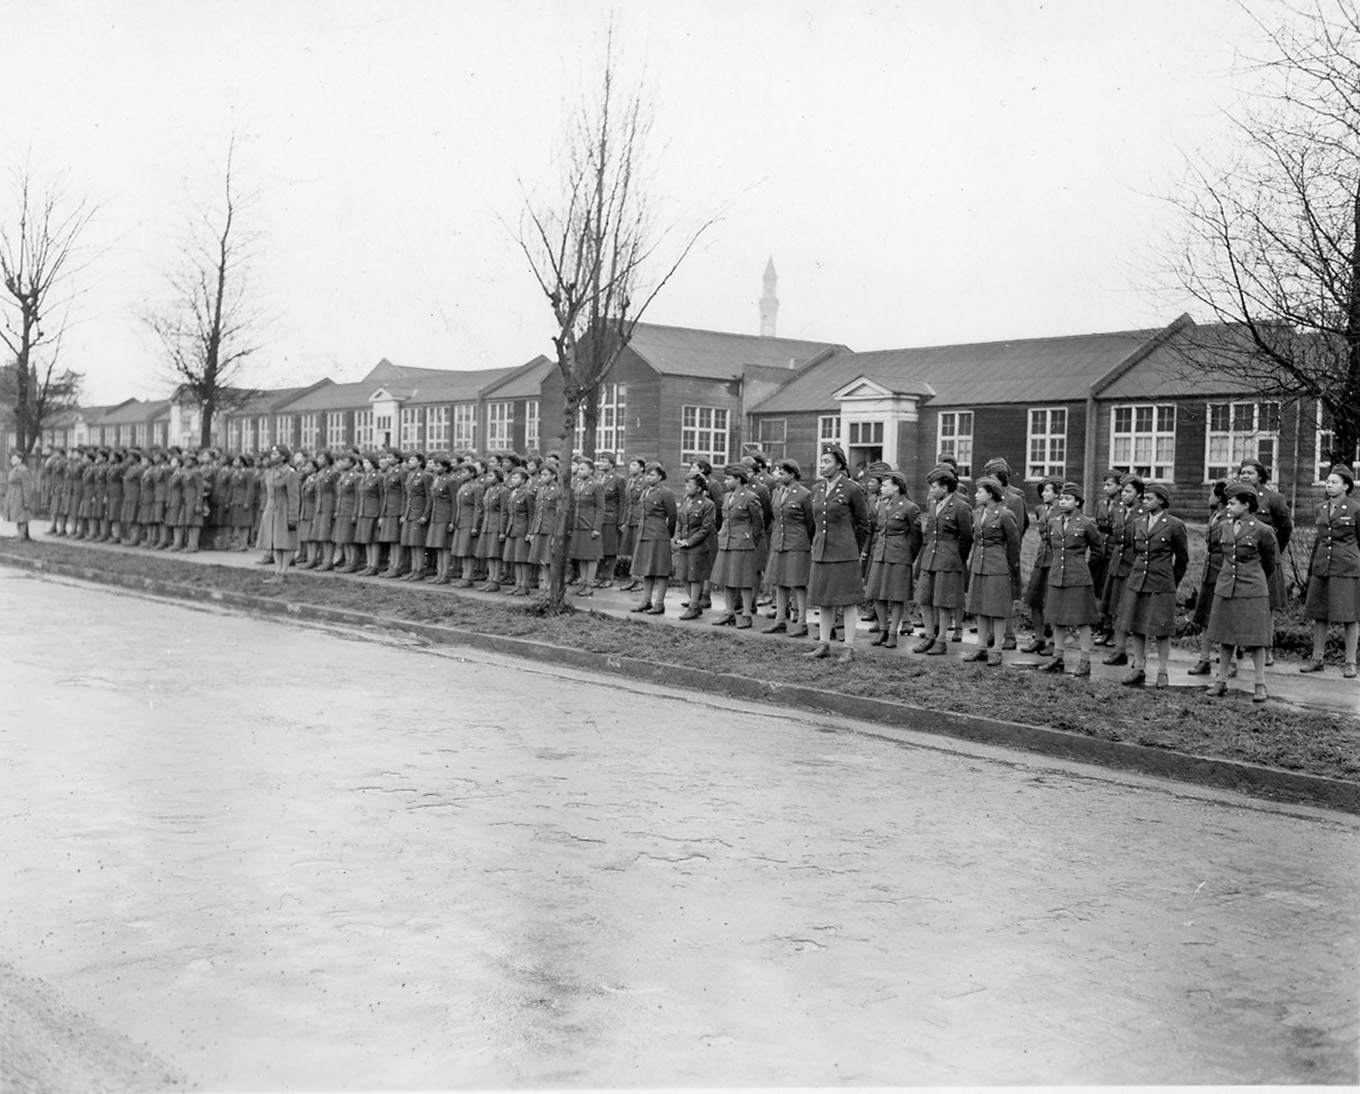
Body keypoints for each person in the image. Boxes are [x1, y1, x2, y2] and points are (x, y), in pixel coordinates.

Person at [1205, 483, 1277, 702]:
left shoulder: (1262, 530)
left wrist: (1253, 579)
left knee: (1256, 639)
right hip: (1227, 586)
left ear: (1246, 505)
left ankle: (1259, 684)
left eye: (1233, 503)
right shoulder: (1223, 527)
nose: (1229, 507)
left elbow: (1269, 562)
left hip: (1252, 589)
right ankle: (1221, 680)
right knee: (1226, 637)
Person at [1116, 482, 1189, 688]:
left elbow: (1182, 559)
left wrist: (1171, 581)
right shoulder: (1138, 523)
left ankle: (1163, 671)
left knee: (1161, 628)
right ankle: (1139, 667)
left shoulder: (1175, 525)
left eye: (1150, 498)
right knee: (1136, 625)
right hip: (1138, 581)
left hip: (1161, 583)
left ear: (1162, 501)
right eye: (1145, 498)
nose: (1145, 502)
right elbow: (1134, 553)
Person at [806, 442, 870, 661]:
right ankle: (824, 643)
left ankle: (848, 647)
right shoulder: (817, 489)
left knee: (847, 600)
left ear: (839, 465)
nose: (822, 466)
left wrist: (854, 550)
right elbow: (812, 523)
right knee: (824, 599)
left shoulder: (852, 489)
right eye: (821, 461)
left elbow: (863, 525)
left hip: (845, 554)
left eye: (827, 462)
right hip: (821, 552)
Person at [1300, 464, 1360, 677]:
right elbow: (1320, 539)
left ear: (1346, 486)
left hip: (1345, 567)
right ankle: (1317, 658)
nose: (1329, 485)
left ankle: (1350, 662)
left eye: (1334, 482)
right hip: (1322, 566)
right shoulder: (1320, 508)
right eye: (1328, 482)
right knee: (1319, 613)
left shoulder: (1355, 508)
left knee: (1349, 615)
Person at [1040, 482, 1104, 676]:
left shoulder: (1086, 523)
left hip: (1078, 577)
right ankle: (1057, 658)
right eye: (1062, 498)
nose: (1063, 502)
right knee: (1057, 617)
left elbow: (1098, 551)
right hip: (1057, 575)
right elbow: (1051, 546)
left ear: (1077, 502)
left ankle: (1085, 661)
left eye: (1068, 499)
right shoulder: (1053, 522)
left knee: (1082, 620)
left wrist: (1084, 569)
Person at [912, 464, 973, 655]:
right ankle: (929, 636)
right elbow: (930, 530)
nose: (931, 491)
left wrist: (957, 559)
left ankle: (941, 640)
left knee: (943, 601)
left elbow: (967, 537)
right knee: (925, 598)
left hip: (948, 559)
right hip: (930, 556)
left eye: (934, 487)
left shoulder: (961, 507)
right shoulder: (932, 504)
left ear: (945, 488)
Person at [1237, 457, 1293, 664]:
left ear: (1260, 475)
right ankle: (1240, 646)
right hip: (1243, 559)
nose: (1245, 476)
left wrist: (1275, 551)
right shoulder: (1236, 497)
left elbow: (1285, 528)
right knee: (1241, 604)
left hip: (1266, 560)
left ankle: (1267, 649)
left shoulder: (1273, 498)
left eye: (1250, 472)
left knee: (1266, 606)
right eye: (1242, 472)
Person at [963, 476, 1021, 667]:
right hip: (979, 564)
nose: (976, 494)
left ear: (990, 494)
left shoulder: (1005, 514)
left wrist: (1010, 565)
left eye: (980, 491)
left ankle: (996, 649)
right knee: (981, 609)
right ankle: (980, 647)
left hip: (997, 566)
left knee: (996, 610)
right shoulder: (978, 513)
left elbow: (1014, 543)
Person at [865, 471, 922, 649]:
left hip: (899, 556)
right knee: (877, 593)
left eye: (885, 485)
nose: (881, 488)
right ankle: (883, 628)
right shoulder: (882, 505)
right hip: (881, 553)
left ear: (896, 487)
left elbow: (916, 538)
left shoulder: (910, 508)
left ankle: (892, 633)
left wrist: (907, 557)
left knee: (896, 596)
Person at [709, 462, 765, 628]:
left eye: (729, 478)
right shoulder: (727, 497)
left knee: (744, 581)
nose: (725, 482)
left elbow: (758, 524)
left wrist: (749, 541)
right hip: (726, 542)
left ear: (739, 479)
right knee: (727, 579)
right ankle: (729, 613)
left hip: (742, 544)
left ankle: (747, 614)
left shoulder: (750, 497)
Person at [763, 458, 814, 637]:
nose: (777, 475)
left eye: (782, 473)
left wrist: (807, 542)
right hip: (779, 542)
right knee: (780, 581)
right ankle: (779, 620)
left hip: (797, 543)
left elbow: (811, 522)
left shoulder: (804, 494)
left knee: (798, 583)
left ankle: (802, 622)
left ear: (792, 475)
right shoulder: (776, 492)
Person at [1100, 473, 1146, 666]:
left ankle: (1139, 657)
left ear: (1139, 493)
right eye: (1124, 491)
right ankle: (1120, 651)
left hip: (1133, 566)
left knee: (1132, 611)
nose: (1125, 495)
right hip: (1116, 564)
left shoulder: (1143, 512)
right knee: (1116, 609)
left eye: (1129, 491)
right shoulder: (1118, 510)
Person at [1187, 480, 1231, 676]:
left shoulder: (1228, 518)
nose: (1208, 498)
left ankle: (1230, 663)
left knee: (1224, 618)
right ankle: (1204, 659)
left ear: (1219, 497)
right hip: (1209, 571)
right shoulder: (1214, 516)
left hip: (1222, 572)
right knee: (1205, 617)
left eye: (1211, 494)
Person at [628, 462, 678, 615]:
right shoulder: (645, 492)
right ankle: (646, 600)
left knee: (661, 570)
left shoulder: (666, 493)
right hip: (644, 534)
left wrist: (667, 534)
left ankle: (660, 603)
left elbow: (673, 516)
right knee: (647, 569)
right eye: (647, 475)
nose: (649, 477)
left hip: (659, 535)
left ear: (660, 477)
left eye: (653, 475)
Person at [1021, 477, 1062, 655]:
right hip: (1041, 557)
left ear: (1058, 493)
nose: (1043, 494)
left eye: (1047, 490)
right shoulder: (1040, 509)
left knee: (1052, 601)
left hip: (1055, 559)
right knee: (1034, 599)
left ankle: (1054, 642)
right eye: (1043, 490)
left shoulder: (1063, 510)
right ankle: (1039, 638)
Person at [673, 472, 717, 621]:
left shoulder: (708, 504)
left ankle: (693, 606)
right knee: (683, 576)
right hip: (684, 543)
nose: (687, 488)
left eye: (690, 485)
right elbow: (680, 520)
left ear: (699, 488)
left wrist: (690, 541)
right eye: (686, 485)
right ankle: (695, 603)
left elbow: (706, 528)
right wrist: (677, 537)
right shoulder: (686, 500)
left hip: (698, 546)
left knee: (694, 577)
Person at [257, 444, 300, 581]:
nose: (272, 457)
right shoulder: (270, 472)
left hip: (284, 510)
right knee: (274, 542)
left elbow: (294, 497)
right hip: (271, 509)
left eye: (275, 455)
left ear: (283, 457)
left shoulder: (290, 473)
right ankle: (277, 571)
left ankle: (284, 572)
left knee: (285, 542)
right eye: (272, 455)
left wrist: (293, 517)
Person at [567, 455, 605, 594]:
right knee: (581, 555)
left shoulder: (596, 485)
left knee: (591, 556)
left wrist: (596, 528)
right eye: (579, 469)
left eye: (583, 469)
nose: (579, 471)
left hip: (590, 525)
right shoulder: (578, 484)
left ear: (591, 470)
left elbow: (601, 508)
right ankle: (583, 583)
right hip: (579, 524)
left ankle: (589, 585)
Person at [501, 465, 537, 595]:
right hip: (512, 529)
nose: (512, 480)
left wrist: (530, 532)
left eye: (515, 478)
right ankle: (518, 584)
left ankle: (525, 585)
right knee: (516, 559)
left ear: (523, 480)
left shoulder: (528, 494)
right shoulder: (512, 492)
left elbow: (532, 514)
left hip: (523, 529)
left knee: (523, 559)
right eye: (512, 477)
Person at [400, 452, 433, 581]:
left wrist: (425, 515)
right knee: (412, 543)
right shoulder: (410, 476)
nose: (409, 462)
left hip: (419, 513)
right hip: (410, 512)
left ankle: (420, 570)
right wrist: (404, 513)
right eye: (409, 460)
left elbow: (429, 498)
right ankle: (414, 569)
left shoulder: (425, 476)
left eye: (413, 460)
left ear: (420, 462)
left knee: (418, 544)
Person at [425, 453, 456, 584]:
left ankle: (445, 574)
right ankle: (439, 573)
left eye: (438, 466)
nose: (435, 468)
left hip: (446, 516)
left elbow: (455, 503)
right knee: (438, 546)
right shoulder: (436, 480)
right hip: (436, 516)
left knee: (445, 547)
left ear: (445, 467)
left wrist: (453, 521)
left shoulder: (451, 480)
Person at [619, 457, 647, 591]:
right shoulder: (629, 481)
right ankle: (634, 579)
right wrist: (624, 520)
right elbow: (627, 502)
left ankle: (640, 580)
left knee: (639, 549)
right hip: (630, 518)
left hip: (639, 518)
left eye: (634, 465)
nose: (631, 467)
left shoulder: (645, 481)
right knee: (631, 549)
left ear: (642, 468)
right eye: (630, 465)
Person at [5, 451, 36, 540]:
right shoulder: (15, 469)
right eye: (12, 458)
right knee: (17, 516)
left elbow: (27, 487)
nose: (12, 460)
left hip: (20, 496)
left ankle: (21, 536)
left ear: (20, 460)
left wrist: (27, 501)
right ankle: (20, 534)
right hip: (14, 495)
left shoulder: (23, 470)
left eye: (14, 459)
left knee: (21, 517)